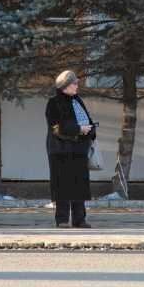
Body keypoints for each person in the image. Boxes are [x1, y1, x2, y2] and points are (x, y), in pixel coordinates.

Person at [45, 70, 96, 228]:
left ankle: (79, 219)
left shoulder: (78, 101)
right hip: (61, 150)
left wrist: (91, 130)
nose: (77, 86)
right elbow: (56, 128)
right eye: (74, 83)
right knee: (62, 186)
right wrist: (79, 129)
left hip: (79, 150)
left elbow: (88, 120)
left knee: (79, 186)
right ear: (65, 85)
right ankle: (62, 219)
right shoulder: (54, 103)